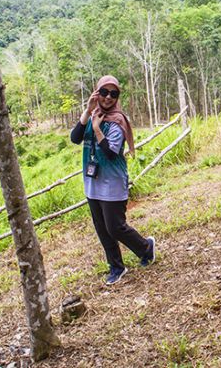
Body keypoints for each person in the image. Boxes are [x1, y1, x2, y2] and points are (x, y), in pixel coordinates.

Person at [70, 75, 155, 284]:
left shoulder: (117, 121)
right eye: (104, 92)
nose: (108, 97)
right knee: (102, 229)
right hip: (93, 183)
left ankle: (146, 247)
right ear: (97, 93)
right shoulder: (93, 115)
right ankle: (116, 267)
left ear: (117, 97)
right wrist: (87, 111)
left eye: (113, 93)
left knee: (115, 227)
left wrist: (98, 129)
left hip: (112, 182)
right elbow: (75, 138)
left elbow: (110, 153)